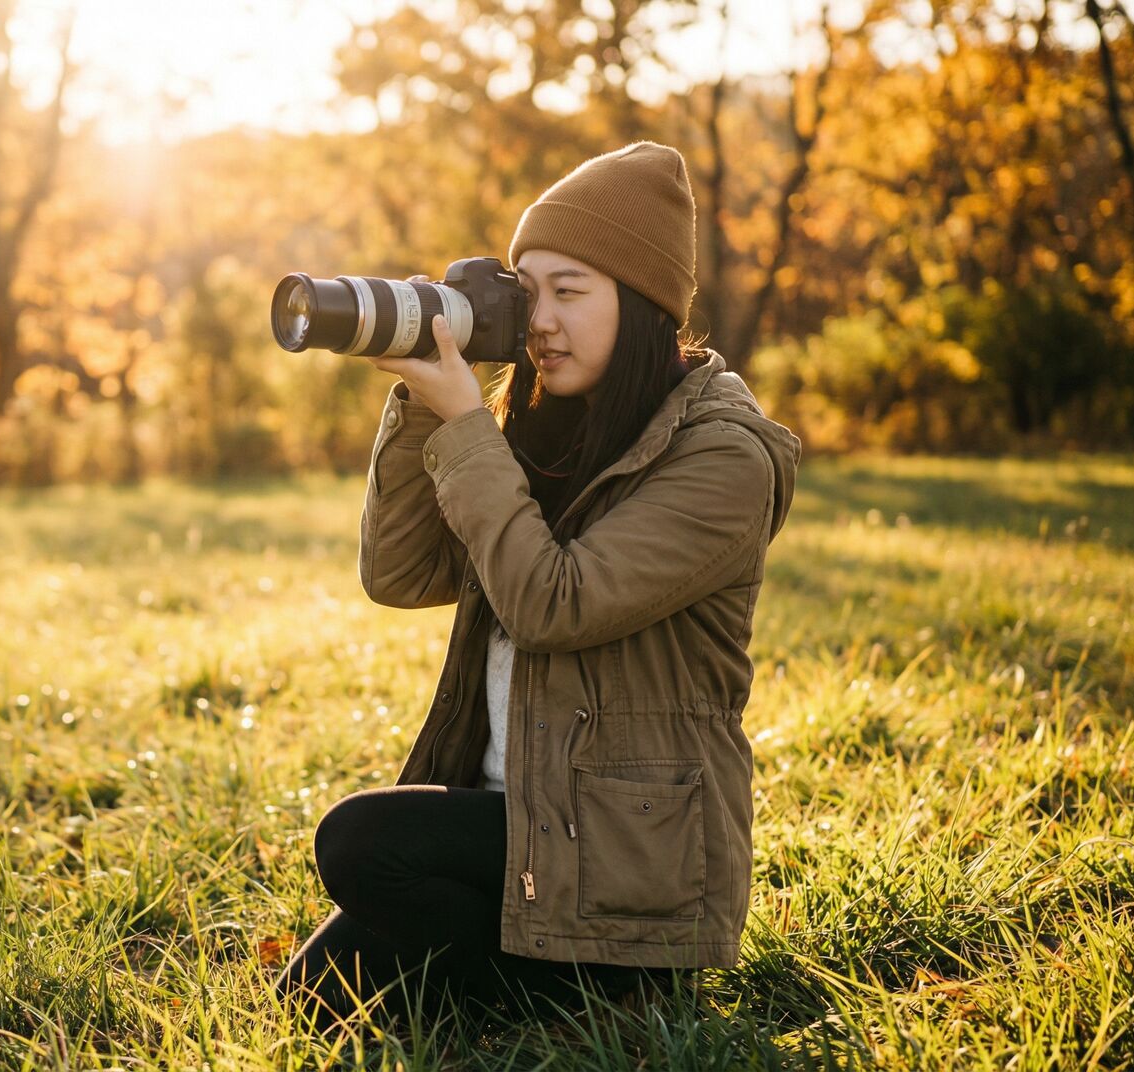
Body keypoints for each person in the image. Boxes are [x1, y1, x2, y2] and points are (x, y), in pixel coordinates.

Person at [273, 141, 803, 1032]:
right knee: (310, 1000)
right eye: (528, 291)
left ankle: (615, 991)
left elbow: (555, 604)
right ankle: (528, 988)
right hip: (522, 828)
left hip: (625, 867)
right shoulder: (548, 429)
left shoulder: (724, 457)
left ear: (641, 304)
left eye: (571, 291)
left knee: (359, 841)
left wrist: (466, 424)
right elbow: (398, 573)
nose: (540, 321)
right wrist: (420, 401)